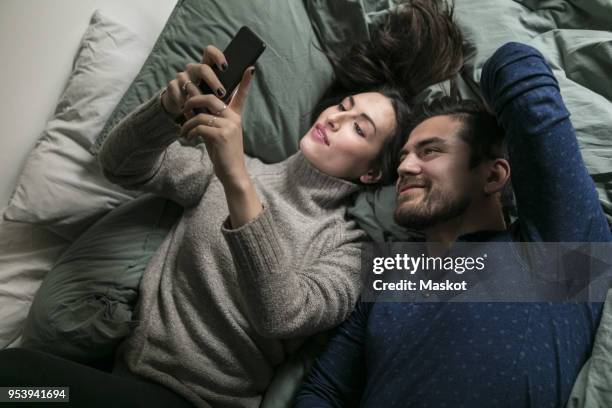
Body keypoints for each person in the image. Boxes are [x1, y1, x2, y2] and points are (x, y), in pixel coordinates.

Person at [0, 2, 464, 406]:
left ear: (371, 173)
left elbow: (283, 313)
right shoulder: (235, 167)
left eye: (360, 129)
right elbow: (121, 165)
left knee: (15, 381)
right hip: (120, 382)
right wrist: (167, 107)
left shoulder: (350, 248)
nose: (337, 118)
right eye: (344, 107)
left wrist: (235, 177)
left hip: (196, 402)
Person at [295, 42, 612, 407]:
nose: (405, 167)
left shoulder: (556, 251)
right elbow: (325, 390)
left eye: (429, 151)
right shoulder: (390, 274)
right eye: (403, 156)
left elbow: (517, 67)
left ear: (493, 175)